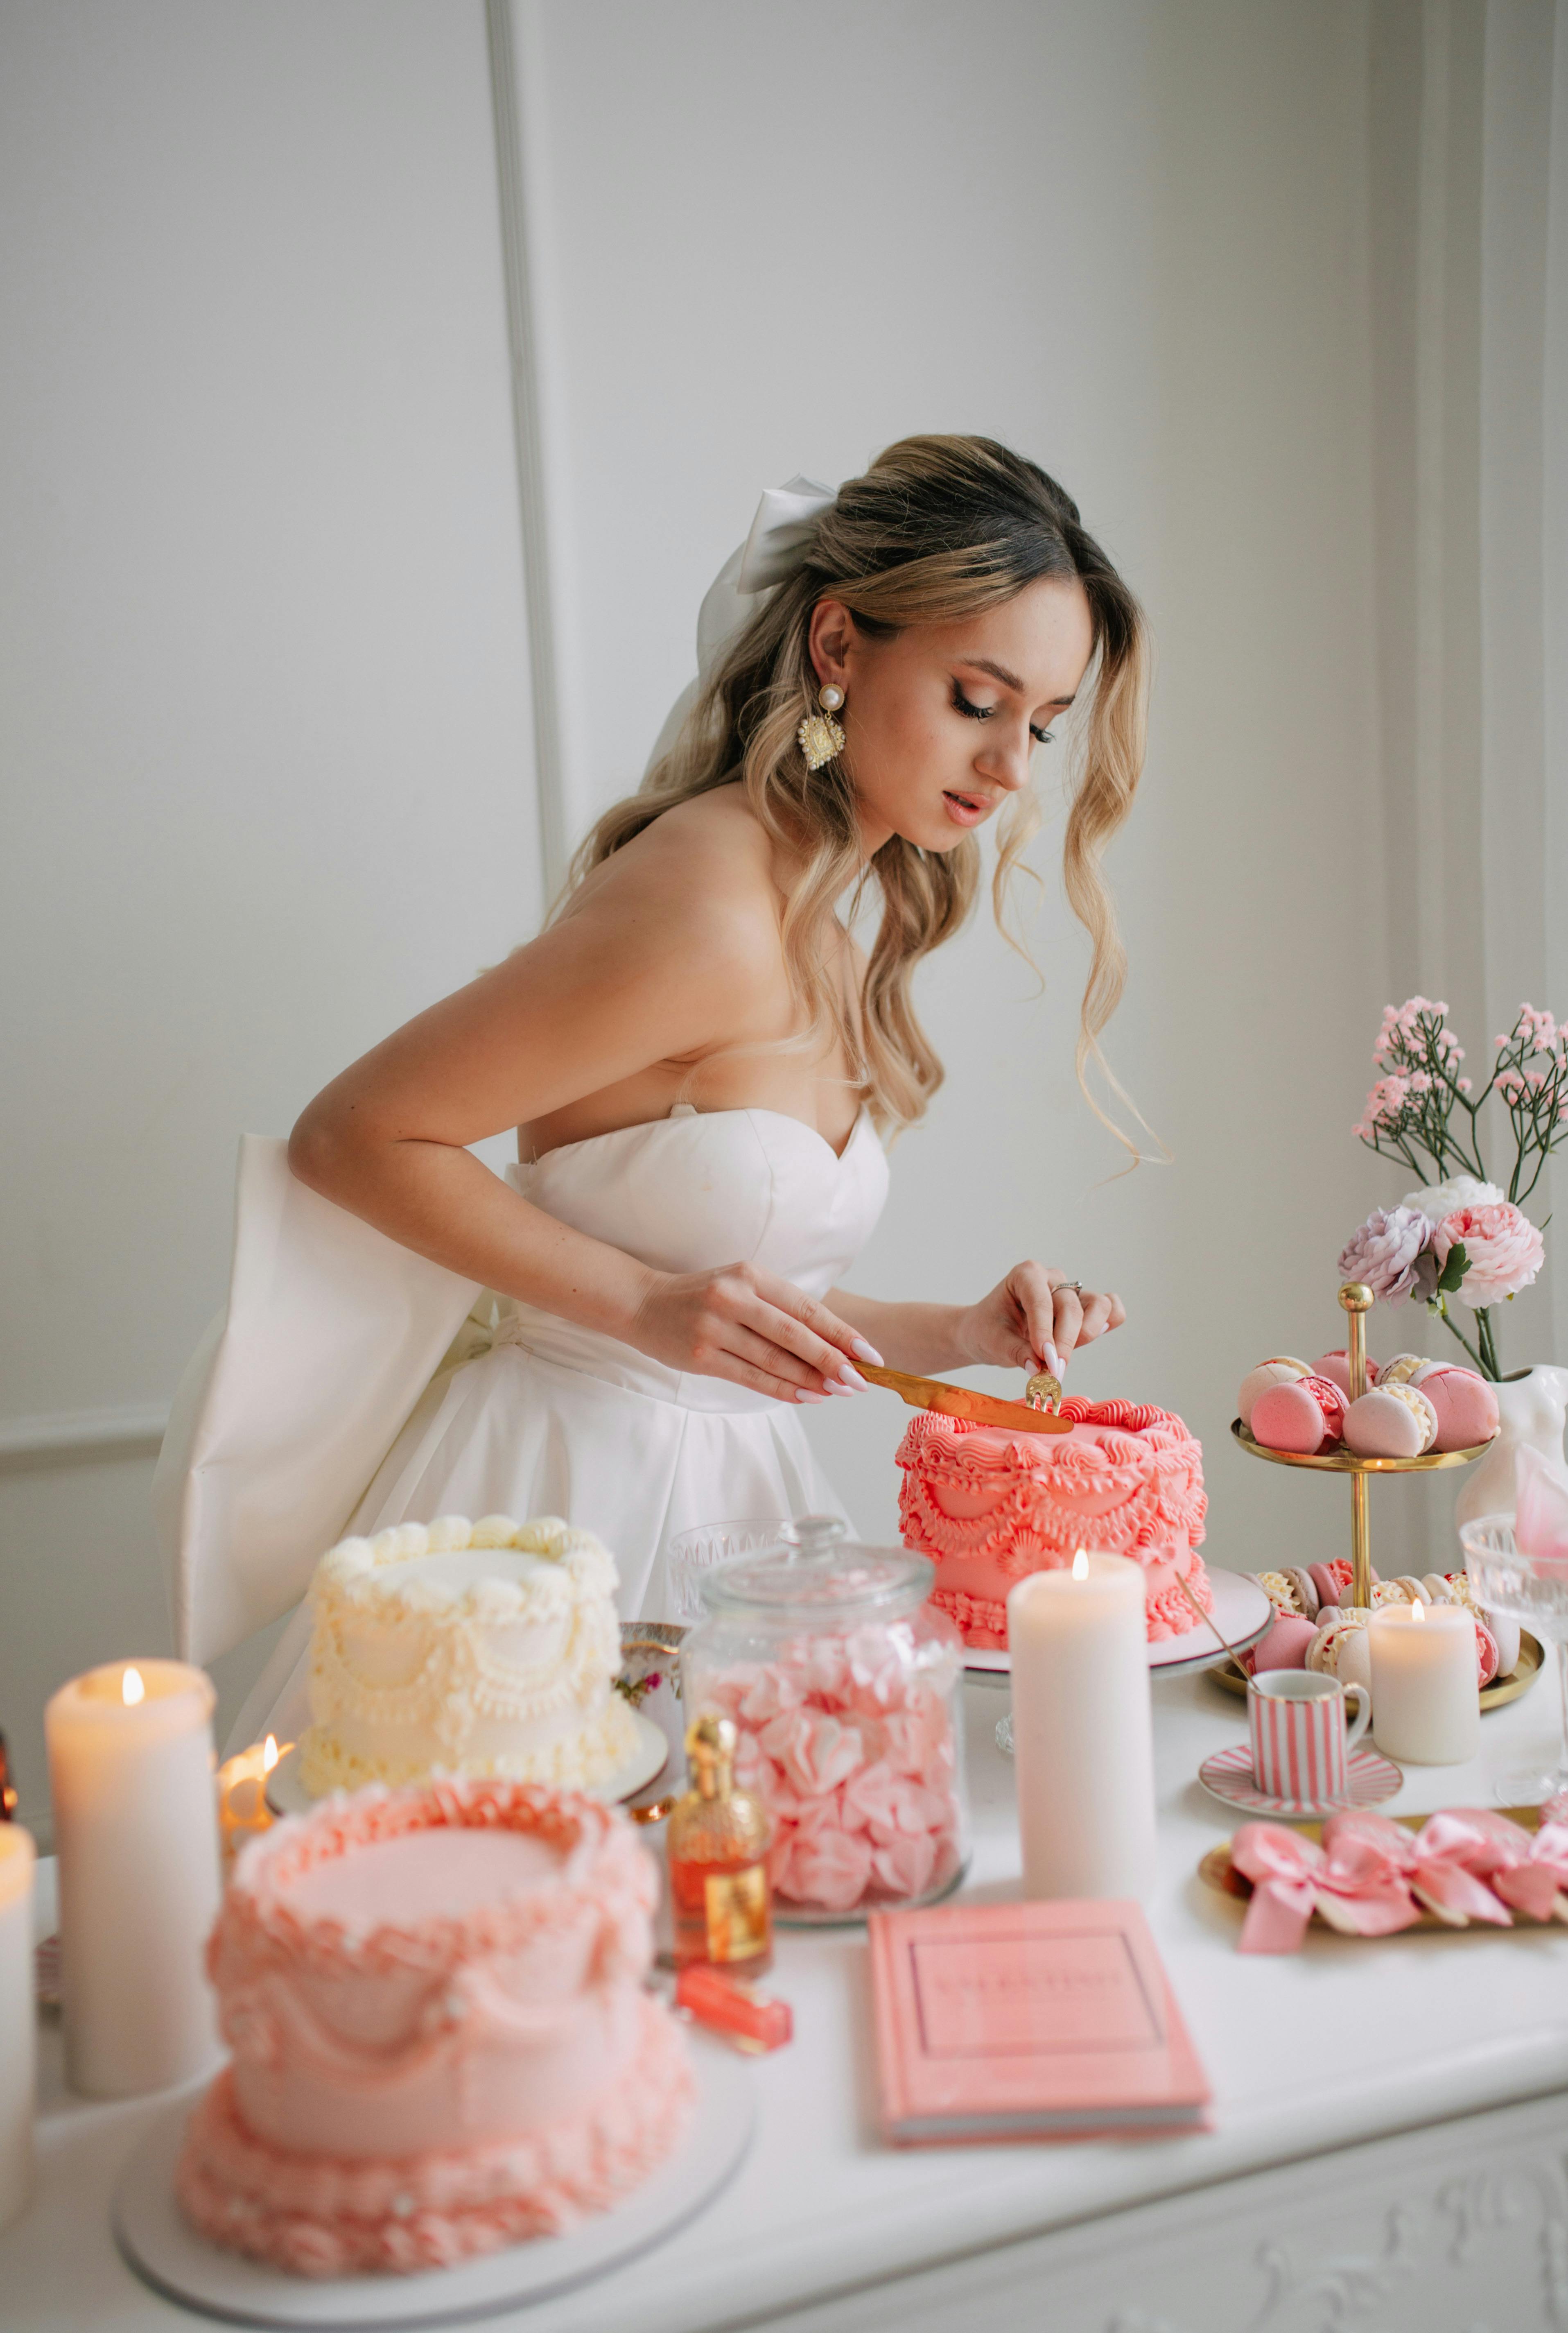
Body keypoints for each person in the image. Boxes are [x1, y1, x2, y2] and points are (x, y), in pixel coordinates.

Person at [185, 435, 1146, 1752]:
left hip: (739, 1514)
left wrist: (958, 1329)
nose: (1012, 770)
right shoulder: (712, 897)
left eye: (1040, 726)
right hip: (567, 1503)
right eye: (978, 699)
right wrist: (639, 1306)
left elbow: (725, 1301)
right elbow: (354, 1135)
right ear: (838, 645)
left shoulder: (835, 911)